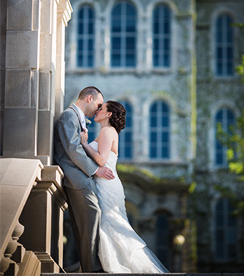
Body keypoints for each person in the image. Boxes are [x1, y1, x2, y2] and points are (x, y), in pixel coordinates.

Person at [80, 100, 168, 273]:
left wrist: (83, 144)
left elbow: (101, 159)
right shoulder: (107, 132)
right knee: (111, 223)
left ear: (109, 114)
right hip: (106, 184)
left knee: (110, 223)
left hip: (107, 186)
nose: (98, 111)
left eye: (101, 109)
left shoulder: (107, 131)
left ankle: (120, 267)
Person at [54, 86, 114, 272]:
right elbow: (73, 149)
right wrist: (95, 169)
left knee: (88, 220)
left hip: (81, 178)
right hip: (76, 179)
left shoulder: (77, 118)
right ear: (89, 98)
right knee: (91, 215)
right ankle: (92, 269)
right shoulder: (68, 116)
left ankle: (88, 267)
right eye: (98, 104)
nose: (98, 109)